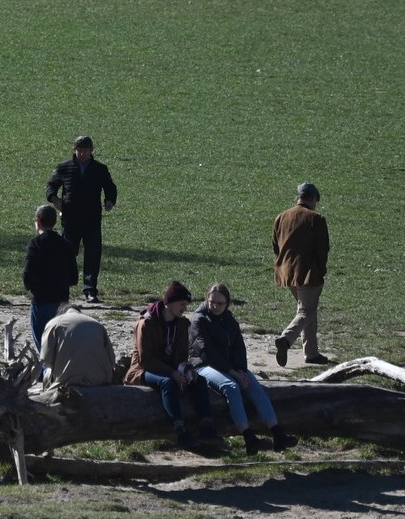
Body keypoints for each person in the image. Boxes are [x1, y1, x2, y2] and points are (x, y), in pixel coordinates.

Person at [193, 283, 297, 454]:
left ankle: (277, 433)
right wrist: (233, 372)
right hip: (203, 365)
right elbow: (206, 353)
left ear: (227, 303)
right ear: (207, 299)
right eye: (212, 302)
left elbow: (239, 348)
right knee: (231, 386)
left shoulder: (229, 319)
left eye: (220, 303)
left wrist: (241, 370)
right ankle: (248, 437)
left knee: (253, 384)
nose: (215, 306)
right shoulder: (199, 320)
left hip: (230, 366)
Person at [124, 281, 221, 450]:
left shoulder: (182, 325)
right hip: (143, 370)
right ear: (169, 303)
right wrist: (172, 373)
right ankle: (180, 431)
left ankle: (206, 426)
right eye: (181, 303)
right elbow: (146, 359)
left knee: (199, 381)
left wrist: (186, 370)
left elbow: (182, 356)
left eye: (186, 304)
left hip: (170, 368)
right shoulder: (146, 323)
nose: (184, 308)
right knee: (167, 383)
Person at [47, 135, 118, 302]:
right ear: (74, 150)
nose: (81, 153)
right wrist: (54, 199)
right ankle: (63, 288)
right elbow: (51, 185)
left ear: (91, 151)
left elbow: (110, 187)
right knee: (67, 255)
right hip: (70, 219)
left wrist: (110, 201)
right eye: (79, 150)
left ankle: (90, 290)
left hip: (92, 219)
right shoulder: (64, 168)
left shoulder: (100, 169)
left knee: (93, 256)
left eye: (85, 150)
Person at [273, 182, 332, 367]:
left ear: (298, 197)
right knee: (306, 311)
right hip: (308, 273)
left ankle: (311, 353)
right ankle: (286, 339)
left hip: (287, 274)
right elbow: (323, 249)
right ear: (313, 199)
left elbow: (275, 245)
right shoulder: (316, 218)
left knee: (308, 310)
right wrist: (320, 271)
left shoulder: (281, 217)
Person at [22, 203, 77, 343]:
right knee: (59, 345)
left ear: (38, 222)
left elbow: (27, 275)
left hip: (41, 300)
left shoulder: (35, 244)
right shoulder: (66, 245)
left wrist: (32, 287)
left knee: (42, 345)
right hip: (62, 303)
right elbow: (74, 278)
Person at [38, 307, 119, 390]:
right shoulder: (97, 324)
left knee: (46, 370)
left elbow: (45, 359)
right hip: (100, 382)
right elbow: (112, 360)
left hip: (66, 383)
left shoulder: (54, 323)